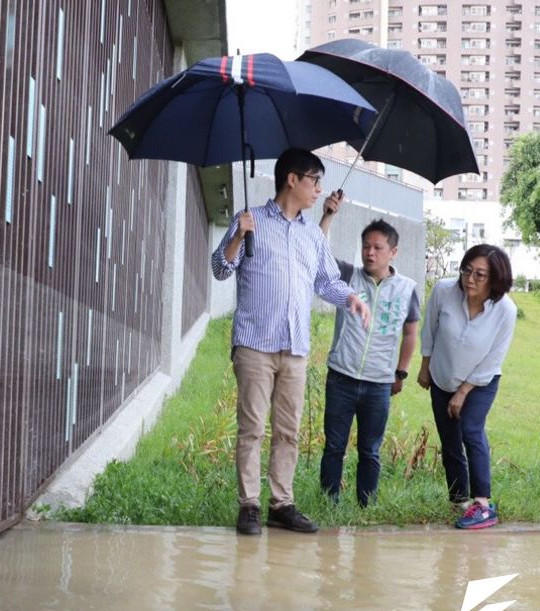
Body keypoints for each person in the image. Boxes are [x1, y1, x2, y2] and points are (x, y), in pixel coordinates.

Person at [211, 148, 371, 535]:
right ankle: (249, 506)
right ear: (292, 179)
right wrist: (238, 236)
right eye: (314, 180)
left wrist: (351, 298)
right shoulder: (250, 220)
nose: (319, 189)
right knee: (251, 428)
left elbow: (326, 282)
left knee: (288, 431)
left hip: (295, 348)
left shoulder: (312, 234)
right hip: (255, 344)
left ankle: (281, 504)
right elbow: (221, 268)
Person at [316, 211, 421, 506]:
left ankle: (366, 505)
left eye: (377, 247)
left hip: (379, 383)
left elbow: (410, 333)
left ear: (393, 252)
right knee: (334, 446)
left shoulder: (407, 288)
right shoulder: (348, 276)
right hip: (342, 376)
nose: (370, 253)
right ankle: (329, 503)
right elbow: (318, 254)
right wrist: (327, 216)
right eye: (366, 246)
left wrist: (401, 373)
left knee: (370, 450)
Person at [417, 244, 516, 530]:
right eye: (466, 271)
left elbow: (494, 357)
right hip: (442, 375)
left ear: (495, 279)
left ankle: (483, 504)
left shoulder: (506, 310)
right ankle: (459, 500)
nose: (470, 279)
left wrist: (462, 392)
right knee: (449, 440)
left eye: (480, 275)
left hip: (481, 381)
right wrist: (425, 367)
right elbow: (429, 331)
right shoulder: (443, 291)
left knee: (471, 430)